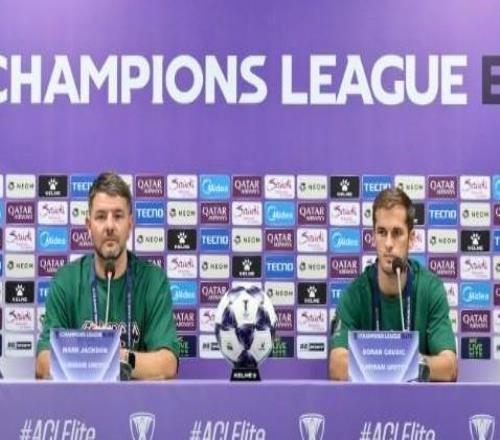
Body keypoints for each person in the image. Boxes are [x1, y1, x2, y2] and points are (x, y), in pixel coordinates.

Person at [36, 172, 179, 380]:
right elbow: (43, 363)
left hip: (138, 400)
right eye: (101, 216)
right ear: (88, 225)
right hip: (81, 400)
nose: (110, 226)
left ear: (130, 224)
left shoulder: (153, 281)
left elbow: (167, 365)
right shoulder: (66, 281)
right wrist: (92, 353)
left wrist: (118, 357)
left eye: (118, 216)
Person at [329, 188, 457, 382]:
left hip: (418, 400)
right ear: (373, 237)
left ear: (411, 238)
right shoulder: (355, 294)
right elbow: (337, 365)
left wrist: (408, 365)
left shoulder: (430, 289)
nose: (388, 243)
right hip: (368, 401)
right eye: (382, 232)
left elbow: (449, 367)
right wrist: (393, 364)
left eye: (397, 233)